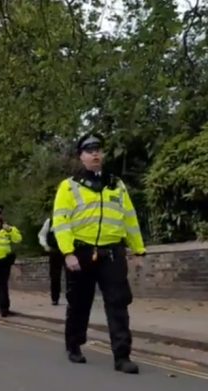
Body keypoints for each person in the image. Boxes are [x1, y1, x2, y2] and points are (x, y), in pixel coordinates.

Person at [52, 133, 145, 374]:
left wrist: (138, 248)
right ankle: (74, 345)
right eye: (89, 150)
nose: (95, 154)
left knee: (118, 303)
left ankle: (122, 356)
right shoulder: (69, 186)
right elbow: (61, 221)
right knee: (79, 302)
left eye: (98, 149)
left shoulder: (117, 185)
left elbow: (130, 218)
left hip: (112, 252)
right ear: (81, 156)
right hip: (81, 252)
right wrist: (68, 252)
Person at [38, 216, 63, 305]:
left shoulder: (71, 217)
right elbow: (42, 234)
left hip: (68, 250)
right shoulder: (50, 221)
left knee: (72, 275)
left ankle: (72, 298)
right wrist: (45, 245)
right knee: (55, 276)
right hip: (55, 251)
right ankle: (55, 298)